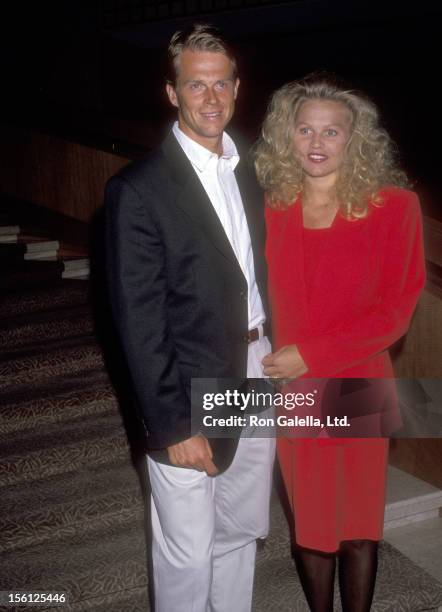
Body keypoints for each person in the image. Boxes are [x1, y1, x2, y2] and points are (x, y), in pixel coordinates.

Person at [105, 23, 275, 612]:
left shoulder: (251, 169)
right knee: (186, 546)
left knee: (238, 530)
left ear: (236, 87)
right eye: (195, 85)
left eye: (221, 83)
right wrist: (173, 424)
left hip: (254, 368)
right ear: (173, 93)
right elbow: (139, 322)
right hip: (185, 381)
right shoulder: (139, 190)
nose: (210, 98)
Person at [254, 76, 425, 611]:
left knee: (356, 525)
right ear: (288, 136)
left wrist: (308, 354)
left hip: (360, 384)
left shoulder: (395, 206)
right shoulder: (274, 207)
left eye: (332, 131)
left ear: (355, 139)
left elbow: (394, 314)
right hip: (297, 390)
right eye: (305, 129)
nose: (317, 142)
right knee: (311, 524)